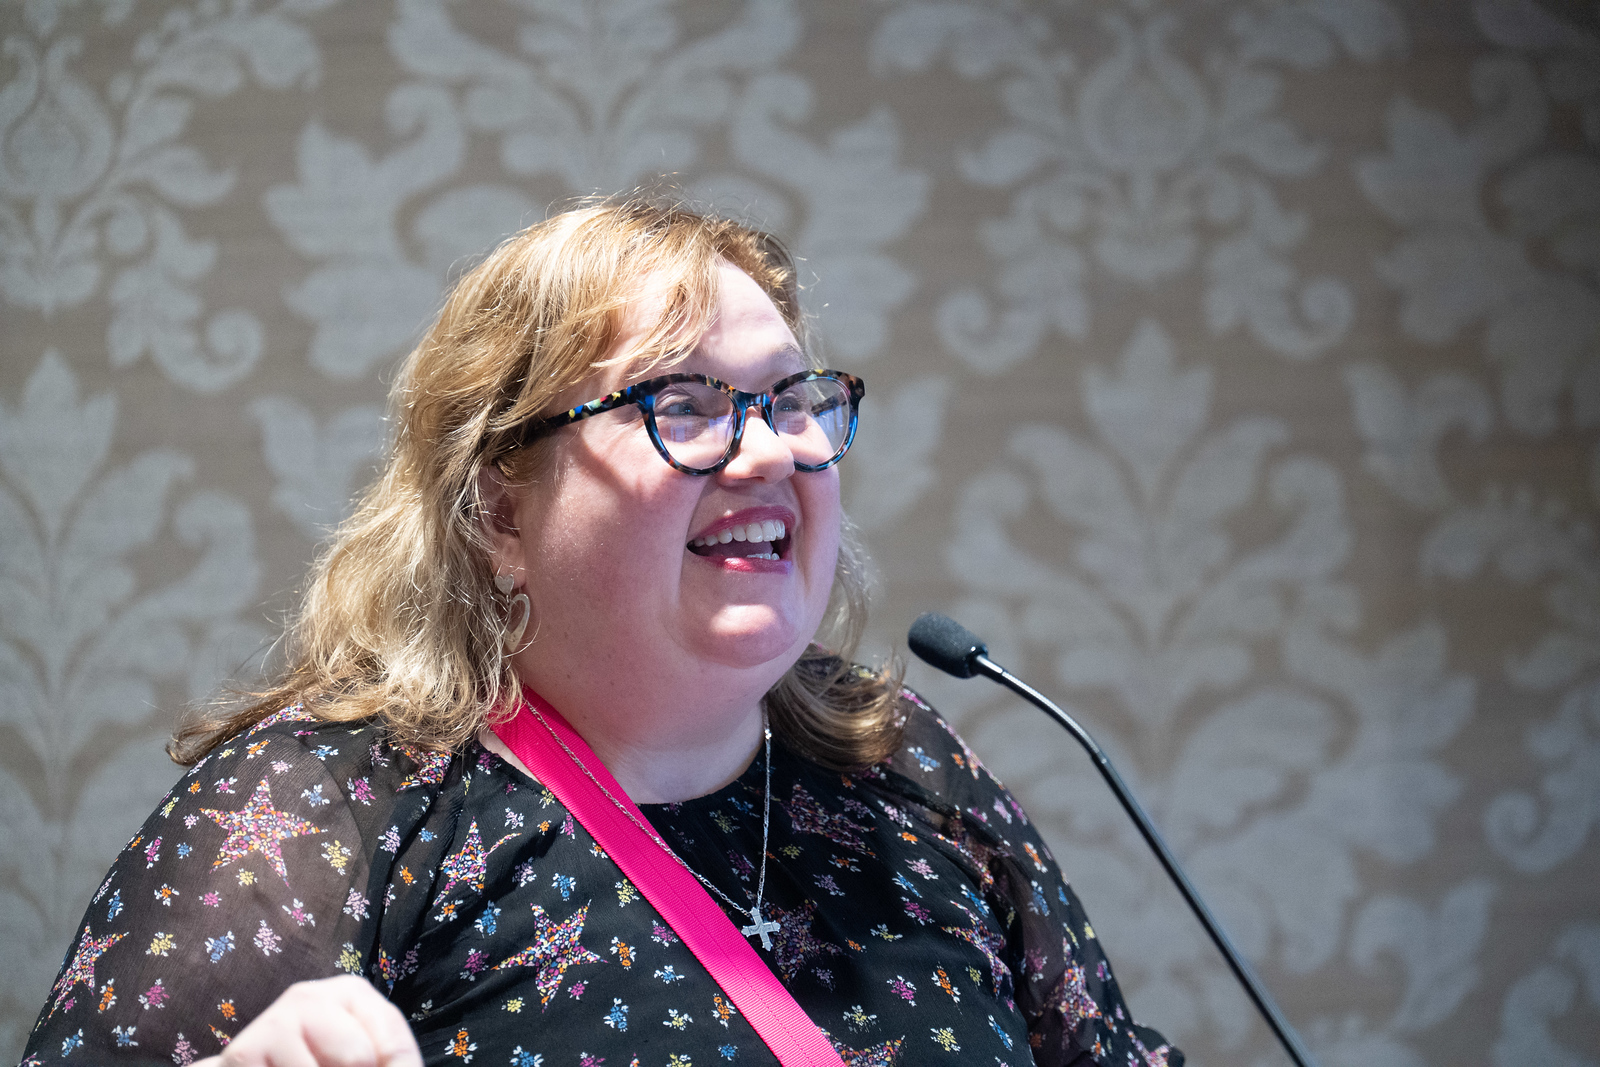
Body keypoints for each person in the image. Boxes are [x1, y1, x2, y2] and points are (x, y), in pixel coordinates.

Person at [21, 201, 1181, 1067]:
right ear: (499, 509)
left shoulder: (908, 772)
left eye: (791, 401)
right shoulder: (318, 809)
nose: (771, 450)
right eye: (680, 406)